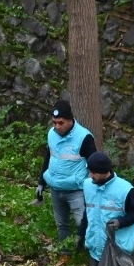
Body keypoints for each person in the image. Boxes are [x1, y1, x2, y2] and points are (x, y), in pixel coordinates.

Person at [37, 98, 96, 248]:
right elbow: (49, 157)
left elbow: (94, 165)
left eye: (61, 123)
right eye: (54, 122)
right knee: (62, 224)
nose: (57, 127)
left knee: (82, 223)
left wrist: (94, 190)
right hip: (56, 188)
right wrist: (41, 183)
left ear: (70, 120)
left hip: (76, 190)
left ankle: (91, 254)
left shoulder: (84, 137)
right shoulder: (51, 134)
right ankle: (66, 254)